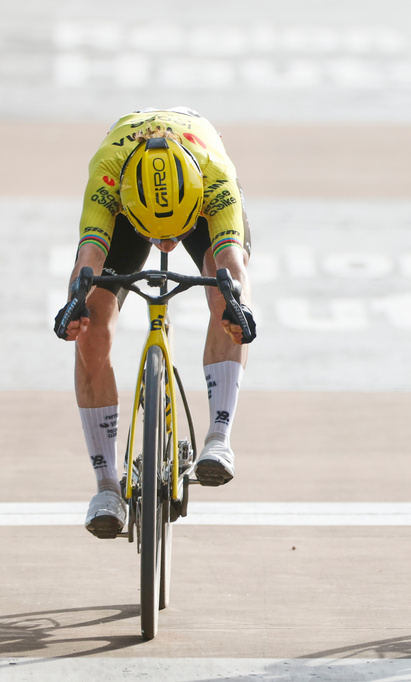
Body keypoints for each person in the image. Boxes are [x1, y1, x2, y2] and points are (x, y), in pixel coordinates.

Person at [54, 107, 256, 539]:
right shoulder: (108, 177)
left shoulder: (215, 176)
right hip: (130, 194)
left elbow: (232, 262)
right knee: (91, 323)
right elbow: (87, 261)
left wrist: (238, 310)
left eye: (174, 233)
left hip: (195, 183)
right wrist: (74, 304)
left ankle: (218, 438)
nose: (166, 244)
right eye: (156, 234)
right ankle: (107, 485)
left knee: (226, 296)